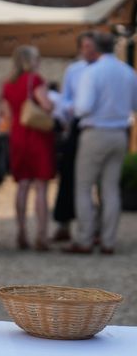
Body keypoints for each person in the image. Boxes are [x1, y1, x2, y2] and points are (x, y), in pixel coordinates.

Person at [64, 32, 137, 255]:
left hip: (95, 132)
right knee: (111, 189)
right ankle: (108, 241)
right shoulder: (128, 72)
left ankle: (85, 239)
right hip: (119, 133)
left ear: (95, 47)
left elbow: (83, 108)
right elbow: (134, 104)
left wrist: (72, 107)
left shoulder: (92, 72)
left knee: (84, 188)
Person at [2, 46, 54, 251]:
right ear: (29, 60)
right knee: (41, 187)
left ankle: (21, 232)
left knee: (22, 186)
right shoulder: (36, 80)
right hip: (37, 136)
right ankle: (41, 235)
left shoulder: (8, 84)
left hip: (17, 136)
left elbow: (6, 114)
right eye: (37, 58)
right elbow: (47, 106)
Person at [52, 32, 97, 242]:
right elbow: (65, 99)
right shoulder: (74, 70)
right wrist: (71, 109)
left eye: (92, 46)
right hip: (77, 124)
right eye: (86, 46)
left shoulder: (101, 69)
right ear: (80, 48)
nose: (89, 49)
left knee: (97, 178)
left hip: (97, 124)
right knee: (69, 174)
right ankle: (64, 223)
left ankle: (94, 227)